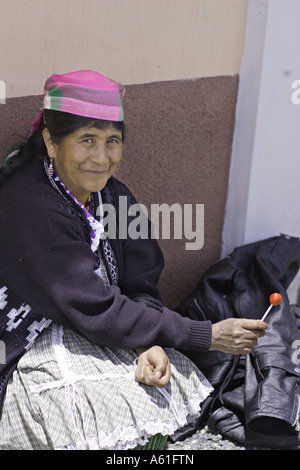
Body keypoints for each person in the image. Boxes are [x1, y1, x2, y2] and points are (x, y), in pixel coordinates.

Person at [0, 70, 268, 450]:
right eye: (86, 140)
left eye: (112, 141)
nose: (101, 157)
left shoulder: (115, 198)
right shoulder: (30, 204)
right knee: (85, 409)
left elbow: (140, 283)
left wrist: (146, 345)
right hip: (32, 340)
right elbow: (91, 305)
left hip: (97, 325)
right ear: (51, 141)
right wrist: (205, 335)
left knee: (156, 387)